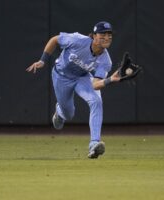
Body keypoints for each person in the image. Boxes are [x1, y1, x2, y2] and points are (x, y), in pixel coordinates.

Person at [26, 21, 121, 159]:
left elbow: (95, 85)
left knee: (96, 101)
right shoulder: (78, 40)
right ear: (94, 36)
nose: (107, 37)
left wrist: (110, 80)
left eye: (109, 34)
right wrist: (43, 60)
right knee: (69, 114)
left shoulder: (106, 61)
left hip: (82, 78)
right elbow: (55, 40)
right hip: (61, 77)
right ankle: (60, 111)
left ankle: (94, 144)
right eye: (103, 34)